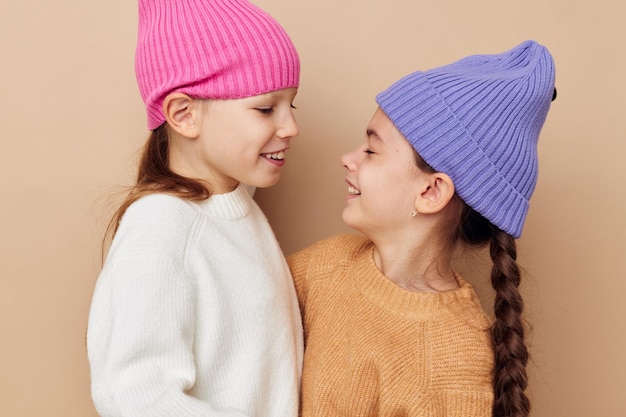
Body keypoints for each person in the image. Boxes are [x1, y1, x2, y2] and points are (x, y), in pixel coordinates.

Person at [288, 40, 556, 417]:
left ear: (430, 192)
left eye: (371, 150)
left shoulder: (455, 360)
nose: (347, 159)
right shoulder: (325, 265)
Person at [87, 1, 303, 416]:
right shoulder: (161, 231)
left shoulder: (231, 206)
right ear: (184, 115)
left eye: (292, 105)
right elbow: (134, 395)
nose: (291, 127)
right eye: (265, 108)